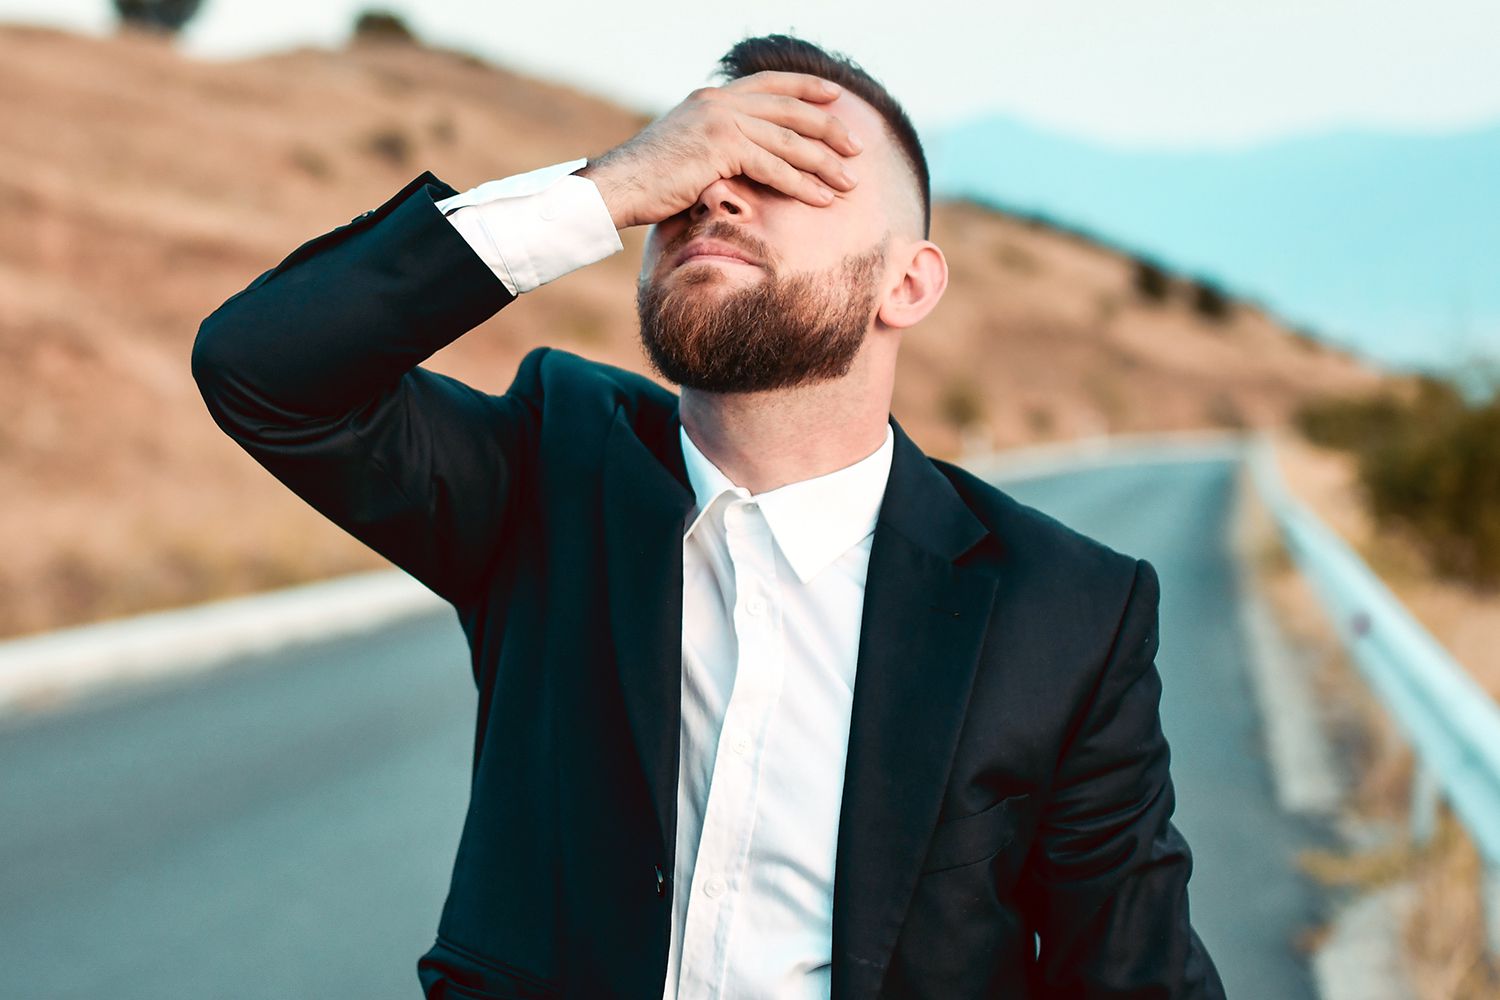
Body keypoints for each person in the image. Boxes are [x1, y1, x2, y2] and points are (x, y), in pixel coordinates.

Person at [192, 32, 1226, 1000]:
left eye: (786, 171)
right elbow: (266, 370)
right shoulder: (552, 470)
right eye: (698, 168)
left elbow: (1132, 972)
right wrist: (611, 185)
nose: (717, 197)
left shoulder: (1067, 610)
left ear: (906, 283)